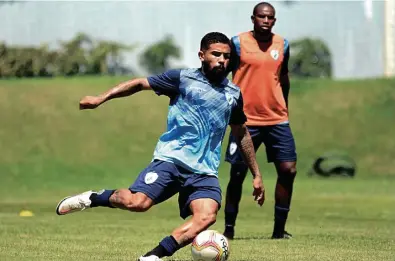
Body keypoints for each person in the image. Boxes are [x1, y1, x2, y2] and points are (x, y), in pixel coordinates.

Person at [55, 32, 265, 261]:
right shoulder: (182, 78)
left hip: (204, 171)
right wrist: (100, 99)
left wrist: (256, 174)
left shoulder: (233, 94)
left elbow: (241, 132)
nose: (222, 60)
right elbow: (138, 84)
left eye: (226, 56)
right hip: (171, 161)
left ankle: (153, 257)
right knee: (136, 203)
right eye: (216, 54)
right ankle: (94, 198)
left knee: (206, 217)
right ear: (202, 55)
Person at [223, 2, 297, 240]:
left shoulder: (282, 44)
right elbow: (223, 75)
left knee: (289, 170)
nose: (266, 21)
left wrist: (283, 105)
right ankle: (229, 229)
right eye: (261, 17)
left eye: (270, 18)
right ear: (253, 18)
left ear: (274, 21)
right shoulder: (237, 43)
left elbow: (283, 78)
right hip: (245, 121)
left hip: (277, 119)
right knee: (237, 174)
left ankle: (278, 231)